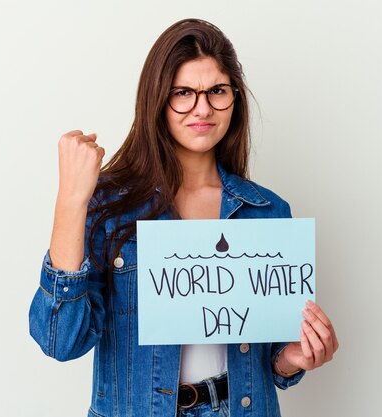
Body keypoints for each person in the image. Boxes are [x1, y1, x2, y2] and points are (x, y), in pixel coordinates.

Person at [29, 18, 339, 417]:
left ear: (235, 98)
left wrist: (291, 359)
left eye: (217, 91)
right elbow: (60, 341)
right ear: (158, 99)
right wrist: (71, 200)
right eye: (183, 93)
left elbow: (270, 356)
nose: (203, 108)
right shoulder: (109, 207)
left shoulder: (269, 213)